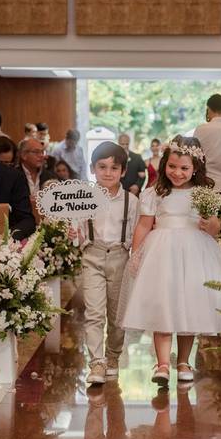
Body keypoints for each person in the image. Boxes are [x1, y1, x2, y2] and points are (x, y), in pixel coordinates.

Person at [119, 137, 221, 386]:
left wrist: (210, 223)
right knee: (162, 305)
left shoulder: (202, 194)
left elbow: (215, 228)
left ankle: (184, 361)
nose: (177, 172)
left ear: (195, 168)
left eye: (184, 168)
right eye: (172, 166)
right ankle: (163, 364)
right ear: (165, 164)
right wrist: (136, 254)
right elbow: (144, 225)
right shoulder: (154, 193)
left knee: (189, 307)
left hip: (194, 253)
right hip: (161, 253)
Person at [78, 142, 140, 384]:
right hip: (92, 256)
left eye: (114, 168)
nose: (107, 172)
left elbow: (136, 233)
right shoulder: (83, 199)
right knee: (94, 313)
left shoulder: (131, 202)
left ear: (123, 172)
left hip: (120, 257)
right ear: (92, 169)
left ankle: (113, 356)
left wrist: (136, 257)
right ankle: (96, 362)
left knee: (117, 315)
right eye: (102, 167)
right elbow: (78, 230)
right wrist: (75, 236)